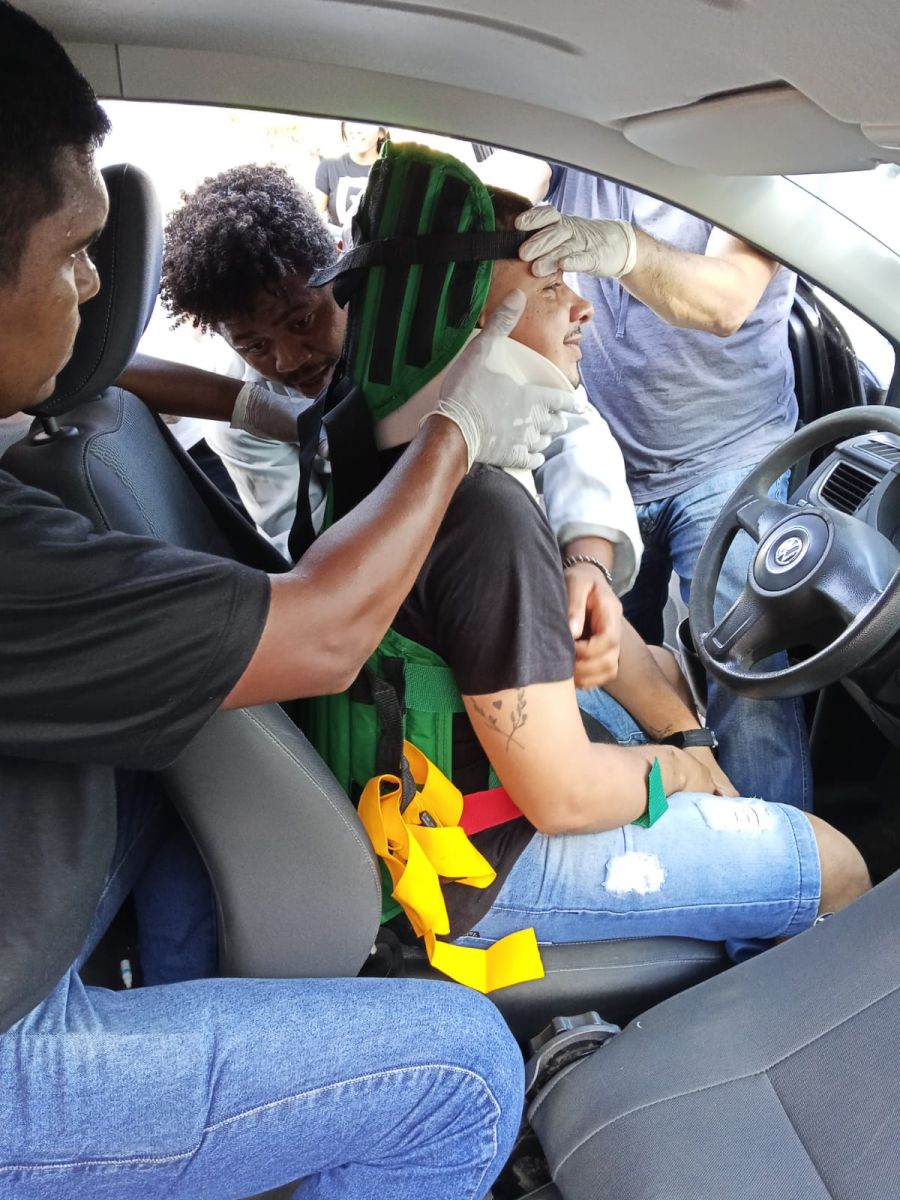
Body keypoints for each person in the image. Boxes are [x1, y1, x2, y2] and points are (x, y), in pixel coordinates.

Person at [0, 8, 589, 1193]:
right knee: (464, 1072)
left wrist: (244, 402)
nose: (97, 287)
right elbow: (325, 636)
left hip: (60, 872)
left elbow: (100, 362)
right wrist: (459, 429)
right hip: (17, 1024)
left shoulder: (70, 448)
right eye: (74, 254)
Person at [297, 161, 870, 976]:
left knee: (664, 668)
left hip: (424, 816)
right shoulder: (485, 512)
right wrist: (680, 770)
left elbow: (620, 656)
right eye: (552, 285)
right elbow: (562, 794)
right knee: (836, 862)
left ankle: (746, 893)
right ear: (479, 318)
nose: (583, 306)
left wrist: (685, 736)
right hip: (478, 868)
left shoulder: (354, 445)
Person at [129, 161, 641, 676]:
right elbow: (318, 553)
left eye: (303, 321)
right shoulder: (245, 428)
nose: (288, 360)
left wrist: (587, 562)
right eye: (254, 346)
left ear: (339, 269)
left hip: (528, 579)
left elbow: (571, 429)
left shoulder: (421, 324)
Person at [477, 151, 812, 810]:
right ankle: (679, 836)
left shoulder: (749, 154)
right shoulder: (572, 142)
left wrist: (627, 250)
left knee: (748, 691)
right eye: (556, 290)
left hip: (727, 463)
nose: (580, 308)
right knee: (607, 674)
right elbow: (501, 208)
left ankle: (782, 852)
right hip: (614, 463)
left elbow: (726, 301)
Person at [314, 120, 389, 229]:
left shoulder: (391, 173)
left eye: (366, 123)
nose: (358, 130)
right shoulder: (329, 167)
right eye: (352, 121)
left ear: (381, 133)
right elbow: (315, 219)